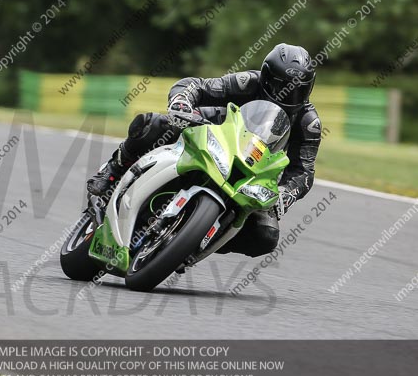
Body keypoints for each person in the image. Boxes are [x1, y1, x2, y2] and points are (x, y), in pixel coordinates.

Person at [87, 43, 321, 257]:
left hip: (256, 175)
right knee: (152, 125)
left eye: (299, 90)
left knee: (265, 238)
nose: (289, 95)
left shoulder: (308, 123)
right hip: (215, 130)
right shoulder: (247, 82)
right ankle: (112, 171)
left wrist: (285, 194)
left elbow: (304, 172)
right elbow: (196, 86)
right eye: (283, 86)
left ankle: (198, 239)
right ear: (267, 76)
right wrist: (182, 102)